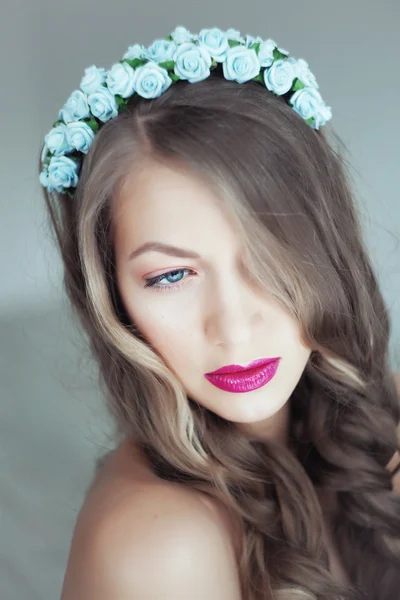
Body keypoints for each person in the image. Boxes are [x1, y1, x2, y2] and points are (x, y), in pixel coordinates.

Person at [38, 26, 400, 600]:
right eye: (171, 276)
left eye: (270, 257)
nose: (233, 328)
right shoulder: (158, 549)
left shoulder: (383, 417)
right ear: (114, 297)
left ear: (328, 255)